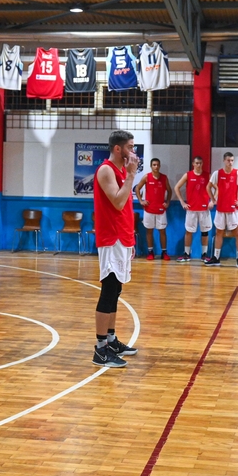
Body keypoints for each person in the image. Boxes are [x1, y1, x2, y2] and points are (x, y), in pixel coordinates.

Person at [92, 130, 141, 367]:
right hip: (110, 238)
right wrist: (132, 175)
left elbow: (125, 208)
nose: (134, 152)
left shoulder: (122, 171)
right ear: (118, 149)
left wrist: (130, 238)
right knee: (109, 290)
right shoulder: (106, 170)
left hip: (122, 238)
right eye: (130, 147)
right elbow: (118, 201)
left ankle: (110, 339)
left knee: (117, 291)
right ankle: (100, 349)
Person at [205, 152, 238, 268]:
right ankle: (216, 258)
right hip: (221, 209)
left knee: (237, 233)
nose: (230, 162)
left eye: (232, 160)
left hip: (233, 209)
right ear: (224, 160)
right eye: (228, 160)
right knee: (219, 232)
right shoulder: (217, 173)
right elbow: (208, 187)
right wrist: (213, 200)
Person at [173, 155, 211, 262]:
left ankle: (204, 254)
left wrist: (212, 201)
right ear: (193, 164)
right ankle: (186, 254)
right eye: (197, 163)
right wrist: (182, 202)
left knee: (205, 232)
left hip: (204, 209)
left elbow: (218, 188)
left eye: (200, 163)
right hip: (191, 209)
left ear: (202, 164)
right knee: (189, 231)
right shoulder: (188, 175)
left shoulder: (207, 175)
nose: (199, 165)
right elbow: (176, 187)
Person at [135, 158, 172, 261]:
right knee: (149, 231)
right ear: (151, 166)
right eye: (154, 165)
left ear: (159, 166)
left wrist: (167, 202)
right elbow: (137, 188)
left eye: (157, 165)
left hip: (161, 210)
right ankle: (150, 252)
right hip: (149, 209)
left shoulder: (164, 178)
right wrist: (141, 200)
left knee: (162, 231)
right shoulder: (147, 177)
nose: (156, 166)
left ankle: (164, 252)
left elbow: (169, 191)